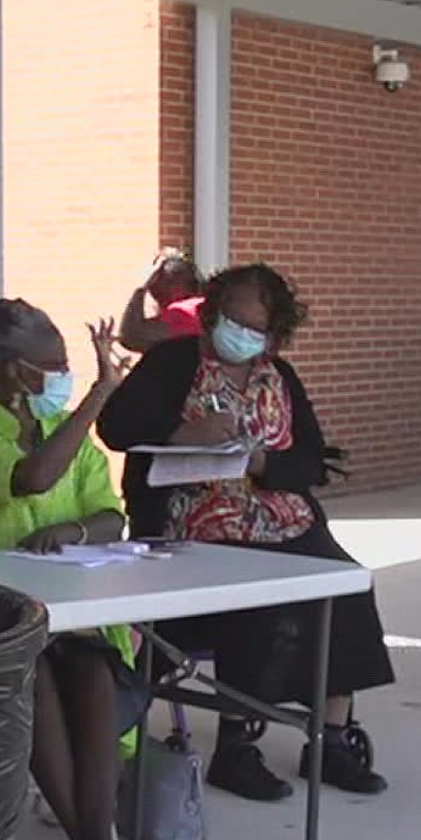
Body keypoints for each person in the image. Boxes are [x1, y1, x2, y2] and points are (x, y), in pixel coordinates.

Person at [98, 263, 394, 802]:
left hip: (279, 512)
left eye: (253, 327)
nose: (238, 333)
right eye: (229, 319)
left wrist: (261, 462)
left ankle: (330, 740)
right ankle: (235, 746)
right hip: (192, 516)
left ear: (274, 334)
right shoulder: (173, 363)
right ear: (211, 314)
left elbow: (310, 461)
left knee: (345, 583)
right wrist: (183, 432)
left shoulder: (279, 377)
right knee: (254, 596)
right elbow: (114, 428)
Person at [0, 299, 154, 840]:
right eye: (52, 367)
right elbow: (32, 478)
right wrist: (99, 394)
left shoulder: (69, 435)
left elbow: (112, 516)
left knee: (90, 670)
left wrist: (78, 527)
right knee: (35, 680)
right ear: (12, 373)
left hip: (70, 613)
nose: (62, 377)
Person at [117, 252, 204, 352]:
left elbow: (131, 336)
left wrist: (141, 289)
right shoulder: (203, 309)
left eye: (157, 281)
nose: (153, 289)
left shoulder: (184, 312)